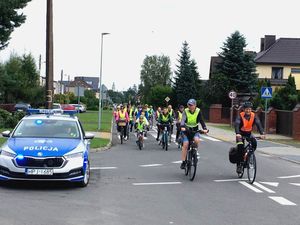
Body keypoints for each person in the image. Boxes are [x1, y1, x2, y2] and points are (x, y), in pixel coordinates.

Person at [235, 101, 265, 173]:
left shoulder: (254, 115)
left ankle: (249, 156)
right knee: (240, 147)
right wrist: (238, 133)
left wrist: (262, 133)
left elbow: (258, 124)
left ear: (251, 109)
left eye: (249, 109)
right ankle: (239, 165)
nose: (248, 110)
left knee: (254, 143)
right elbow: (237, 124)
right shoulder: (240, 115)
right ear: (244, 109)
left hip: (249, 133)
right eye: (246, 109)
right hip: (240, 134)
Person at [180, 99, 208, 169]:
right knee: (186, 144)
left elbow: (201, 120)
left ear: (195, 105)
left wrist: (204, 128)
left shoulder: (198, 111)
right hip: (186, 130)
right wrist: (182, 126)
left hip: (195, 129)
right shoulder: (185, 111)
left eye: (191, 105)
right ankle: (183, 162)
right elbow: (183, 119)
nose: (190, 106)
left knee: (197, 140)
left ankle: (194, 153)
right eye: (189, 105)